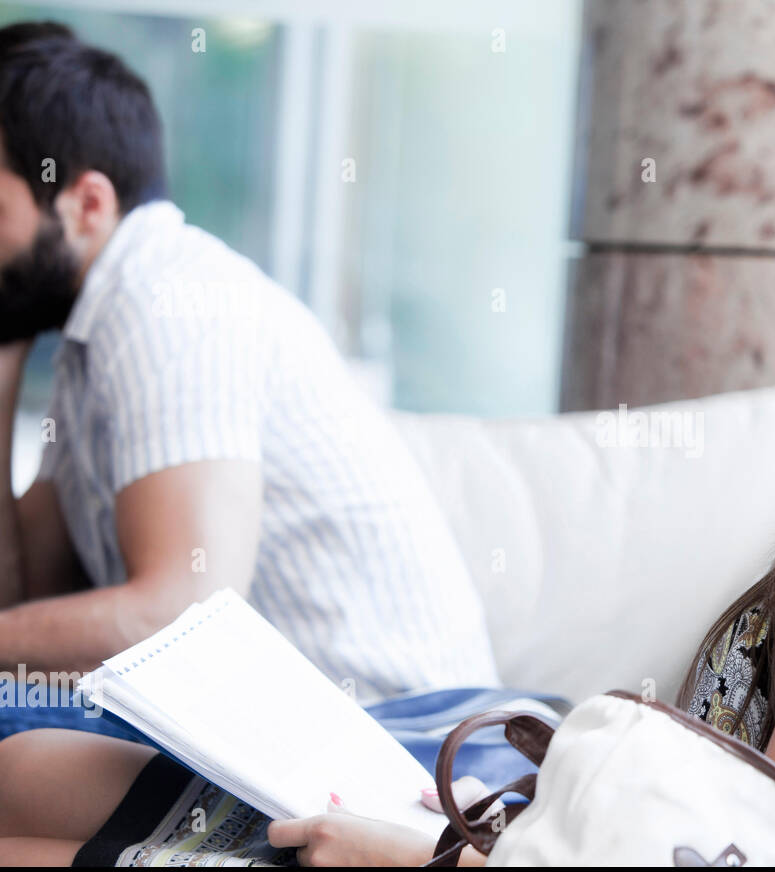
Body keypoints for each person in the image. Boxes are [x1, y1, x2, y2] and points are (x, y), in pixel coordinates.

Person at [0, 71, 775, 866]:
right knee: (26, 766)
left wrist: (432, 859)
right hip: (535, 795)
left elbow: (756, 852)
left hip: (513, 835)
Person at [0, 19, 500, 749]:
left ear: (87, 203)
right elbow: (32, 603)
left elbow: (182, 614)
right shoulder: (90, 338)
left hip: (404, 741)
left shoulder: (162, 302)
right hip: (289, 727)